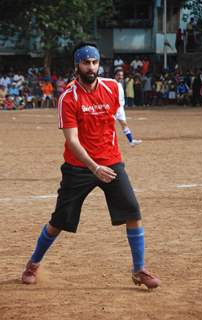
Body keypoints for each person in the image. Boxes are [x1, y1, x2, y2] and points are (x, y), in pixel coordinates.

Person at [21, 42, 160, 289]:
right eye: (86, 62)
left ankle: (139, 270)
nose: (91, 67)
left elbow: (117, 118)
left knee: (133, 212)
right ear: (77, 65)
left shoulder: (112, 87)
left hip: (112, 162)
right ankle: (33, 263)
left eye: (95, 62)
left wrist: (121, 139)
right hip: (79, 167)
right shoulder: (68, 97)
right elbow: (72, 141)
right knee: (58, 222)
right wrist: (93, 167)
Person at [114, 68, 142, 146]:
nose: (120, 77)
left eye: (122, 75)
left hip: (120, 108)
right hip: (114, 108)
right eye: (119, 75)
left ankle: (131, 141)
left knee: (124, 124)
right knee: (108, 126)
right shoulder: (112, 84)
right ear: (115, 76)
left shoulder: (120, 84)